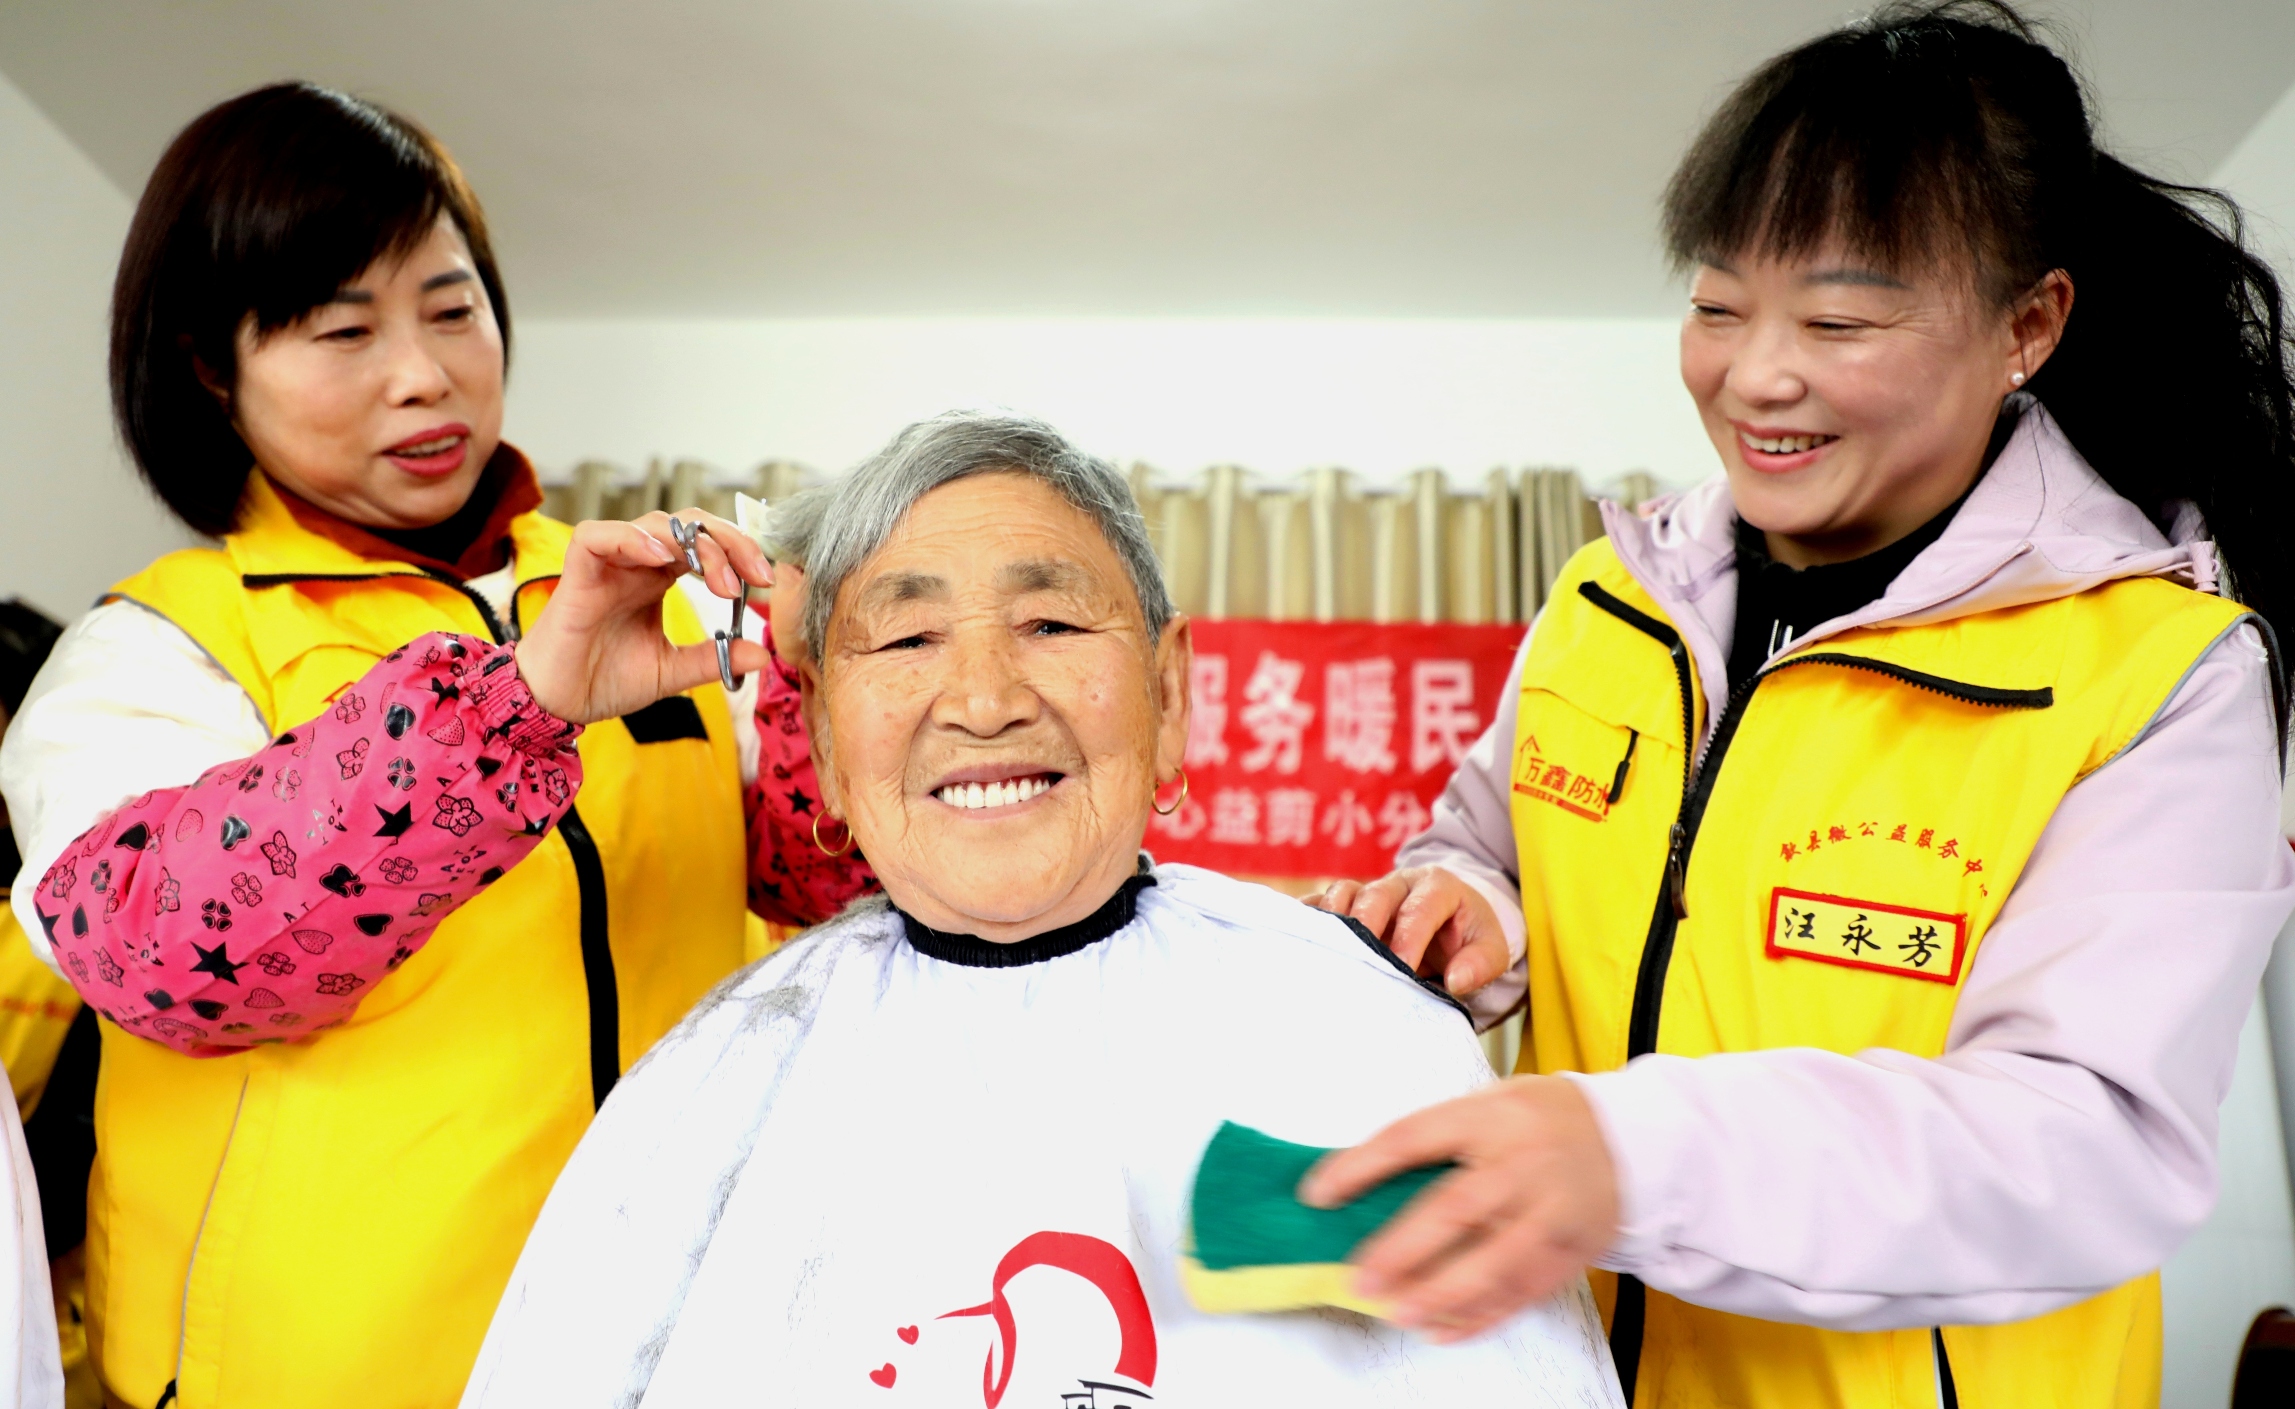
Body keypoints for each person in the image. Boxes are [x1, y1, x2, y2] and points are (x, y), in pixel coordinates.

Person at [1309, 3, 2295, 1406]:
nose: (1755, 374)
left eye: (1837, 319)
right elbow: (1487, 850)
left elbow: (2082, 1144)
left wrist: (1630, 1156)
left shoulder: (2158, 674)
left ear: (2026, 325)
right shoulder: (1609, 601)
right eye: (1717, 305)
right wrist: (1469, 913)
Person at [453, 411, 1624, 1408]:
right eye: (908, 636)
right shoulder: (714, 1073)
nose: (983, 699)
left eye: (1050, 625)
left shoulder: (1350, 1027)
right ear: (820, 739)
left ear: (1169, 692)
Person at [0, 84, 866, 1409]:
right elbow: (165, 953)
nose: (423, 373)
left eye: (453, 309)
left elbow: (818, 878)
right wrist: (511, 708)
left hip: (665, 1359)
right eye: (343, 329)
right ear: (210, 369)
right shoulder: (155, 649)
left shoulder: (655, 595)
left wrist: (844, 679)